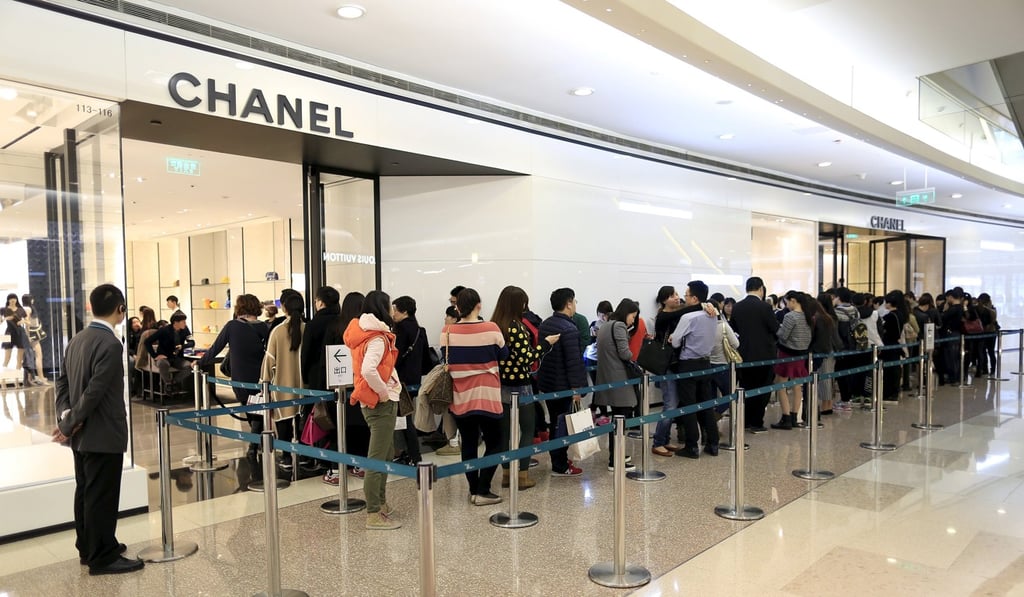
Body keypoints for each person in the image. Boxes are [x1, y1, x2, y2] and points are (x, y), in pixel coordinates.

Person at [51, 284, 143, 575]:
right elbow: (95, 392)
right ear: (120, 309)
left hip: (81, 435)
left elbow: (62, 383)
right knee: (102, 495)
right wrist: (69, 422)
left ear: (91, 307)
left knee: (86, 492)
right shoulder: (111, 344)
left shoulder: (77, 339)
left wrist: (66, 417)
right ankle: (102, 557)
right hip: (103, 432)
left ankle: (89, 547)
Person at [442, 287, 508, 505]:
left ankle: (473, 490)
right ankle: (483, 489)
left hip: (461, 396)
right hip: (488, 394)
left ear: (457, 307)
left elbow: (446, 360)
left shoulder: (448, 331)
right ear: (479, 304)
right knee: (496, 442)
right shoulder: (491, 328)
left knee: (469, 444)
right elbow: (503, 354)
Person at [344, 290, 402, 530]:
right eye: (389, 305)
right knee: (378, 458)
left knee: (385, 453)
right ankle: (373, 512)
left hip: (371, 401)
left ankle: (381, 503)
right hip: (380, 403)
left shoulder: (363, 332)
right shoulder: (377, 337)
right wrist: (383, 393)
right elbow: (369, 370)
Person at [491, 285, 558, 489]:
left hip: (500, 385)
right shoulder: (517, 327)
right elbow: (527, 358)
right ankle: (522, 475)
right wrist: (545, 344)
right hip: (520, 385)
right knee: (527, 430)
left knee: (504, 434)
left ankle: (505, 475)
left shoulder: (494, 325)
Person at [195, 295, 270, 471]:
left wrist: (199, 363)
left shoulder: (232, 326)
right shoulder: (265, 327)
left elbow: (215, 348)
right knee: (258, 410)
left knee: (250, 409)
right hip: (260, 377)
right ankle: (256, 444)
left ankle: (254, 445)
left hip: (240, 378)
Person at [536, 288, 587, 477]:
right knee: (562, 426)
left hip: (549, 383)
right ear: (568, 303)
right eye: (574, 302)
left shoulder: (546, 324)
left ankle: (558, 460)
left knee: (555, 423)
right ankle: (560, 464)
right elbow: (573, 362)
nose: (575, 306)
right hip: (563, 386)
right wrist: (576, 389)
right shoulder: (570, 328)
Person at [669, 281, 720, 458]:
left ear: (695, 298)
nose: (684, 298)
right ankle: (713, 443)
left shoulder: (688, 318)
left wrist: (672, 338)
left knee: (689, 406)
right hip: (706, 363)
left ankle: (692, 446)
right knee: (707, 404)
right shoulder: (713, 315)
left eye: (687, 295)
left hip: (688, 364)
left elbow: (675, 341)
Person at [594, 299, 640, 470]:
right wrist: (633, 354)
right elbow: (625, 353)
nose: (632, 321)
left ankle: (617, 454)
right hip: (619, 379)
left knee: (616, 418)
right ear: (626, 312)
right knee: (621, 419)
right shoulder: (619, 326)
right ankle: (615, 459)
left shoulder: (606, 324)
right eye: (632, 316)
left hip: (607, 377)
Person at [260, 293, 305, 469]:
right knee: (301, 420)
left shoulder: (277, 331)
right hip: (304, 387)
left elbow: (269, 361)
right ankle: (303, 455)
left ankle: (286, 457)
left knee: (284, 421)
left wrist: (264, 383)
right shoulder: (307, 328)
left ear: (284, 308)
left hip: (282, 386)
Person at [729, 277, 779, 433]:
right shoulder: (765, 307)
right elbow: (775, 328)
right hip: (765, 354)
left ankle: (746, 420)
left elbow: (734, 329)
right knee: (763, 388)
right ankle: (757, 422)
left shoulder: (737, 307)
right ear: (761, 289)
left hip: (744, 354)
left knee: (747, 388)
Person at [770, 291, 813, 430]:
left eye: (787, 302)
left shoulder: (790, 316)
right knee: (797, 386)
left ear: (793, 301)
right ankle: (795, 416)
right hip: (801, 354)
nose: (787, 305)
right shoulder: (808, 316)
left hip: (787, 354)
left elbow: (782, 335)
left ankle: (786, 417)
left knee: (780, 385)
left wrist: (778, 329)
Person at [391, 295, 426, 466]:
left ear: (404, 311)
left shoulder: (400, 330)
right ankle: (409, 453)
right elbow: (426, 359)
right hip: (414, 381)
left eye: (395, 309)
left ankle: (414, 455)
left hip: (400, 381)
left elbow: (394, 357)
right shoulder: (420, 330)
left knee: (404, 418)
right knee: (404, 417)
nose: (393, 313)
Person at [434, 306, 463, 457]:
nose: (445, 318)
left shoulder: (447, 330)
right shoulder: (468, 331)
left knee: (449, 409)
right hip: (465, 378)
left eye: (448, 316)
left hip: (451, 375)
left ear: (454, 318)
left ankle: (453, 443)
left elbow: (445, 354)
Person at [147, 311, 191, 388]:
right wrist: (154, 356)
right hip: (164, 356)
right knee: (163, 364)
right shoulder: (164, 330)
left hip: (177, 357)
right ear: (176, 322)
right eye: (183, 322)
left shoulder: (185, 330)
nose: (185, 324)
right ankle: (168, 384)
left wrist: (183, 346)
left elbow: (192, 343)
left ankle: (173, 382)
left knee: (189, 366)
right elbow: (147, 342)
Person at [879, 290, 908, 404]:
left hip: (888, 345)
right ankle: (894, 391)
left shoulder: (890, 316)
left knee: (889, 371)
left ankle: (888, 393)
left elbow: (884, 332)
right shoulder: (901, 314)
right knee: (895, 370)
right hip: (896, 345)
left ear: (890, 303)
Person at [21, 294, 45, 381]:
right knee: (38, 355)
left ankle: (31, 378)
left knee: (30, 356)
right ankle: (40, 377)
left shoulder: (26, 309)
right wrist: (28, 335)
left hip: (31, 334)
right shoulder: (28, 309)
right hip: (32, 334)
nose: (33, 300)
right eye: (31, 299)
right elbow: (27, 322)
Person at [3, 293, 25, 368]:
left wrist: (23, 321)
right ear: (8, 300)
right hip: (9, 332)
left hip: (19, 332)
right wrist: (5, 318)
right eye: (11, 298)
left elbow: (28, 320)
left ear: (16, 299)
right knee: (7, 357)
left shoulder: (21, 309)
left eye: (14, 298)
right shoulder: (4, 310)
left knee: (19, 358)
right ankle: (3, 378)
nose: (13, 300)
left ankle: (17, 378)